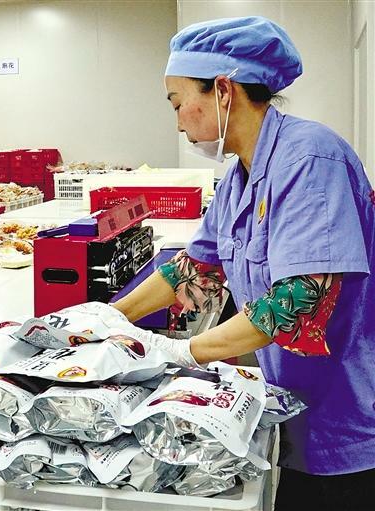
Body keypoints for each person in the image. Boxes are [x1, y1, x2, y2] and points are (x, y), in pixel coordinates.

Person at [112, 16, 375, 510]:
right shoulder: (240, 177)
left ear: (222, 90)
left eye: (177, 102)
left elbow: (296, 301)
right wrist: (108, 318)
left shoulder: (310, 159)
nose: (178, 121)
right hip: (295, 408)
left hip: (347, 421)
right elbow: (193, 269)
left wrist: (180, 352)